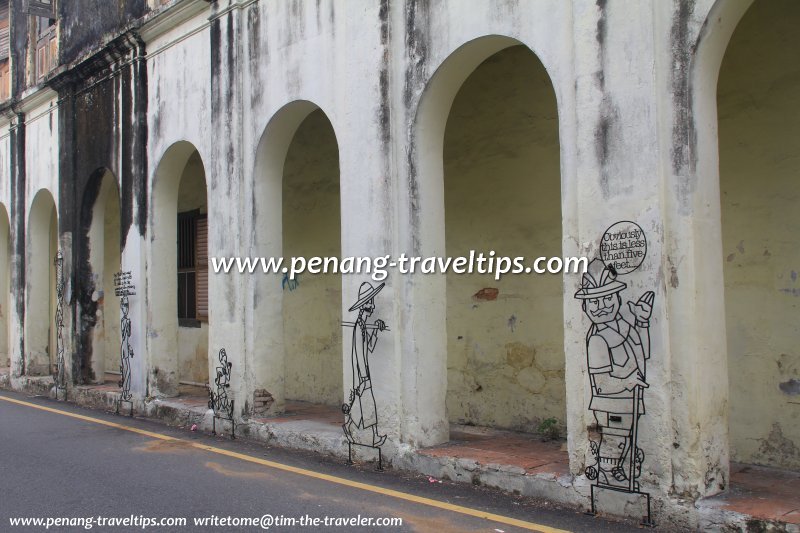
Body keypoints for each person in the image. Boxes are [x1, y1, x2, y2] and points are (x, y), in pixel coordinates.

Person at [574, 258, 654, 487]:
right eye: (595, 302)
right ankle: (608, 472)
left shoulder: (625, 327)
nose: (603, 306)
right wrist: (627, 382)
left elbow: (643, 354)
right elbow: (601, 383)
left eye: (608, 298)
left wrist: (643, 322)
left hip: (630, 399)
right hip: (610, 402)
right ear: (586, 307)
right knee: (615, 440)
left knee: (625, 438)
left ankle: (616, 470)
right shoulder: (597, 339)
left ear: (617, 299)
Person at [342, 281, 388, 447]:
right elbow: (359, 354)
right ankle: (374, 436)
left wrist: (375, 329)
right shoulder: (358, 327)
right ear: (364, 306)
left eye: (372, 301)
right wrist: (363, 378)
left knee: (360, 406)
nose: (372, 306)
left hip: (363, 373)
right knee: (369, 407)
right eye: (370, 302)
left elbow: (370, 347)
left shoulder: (363, 326)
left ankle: (348, 426)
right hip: (362, 373)